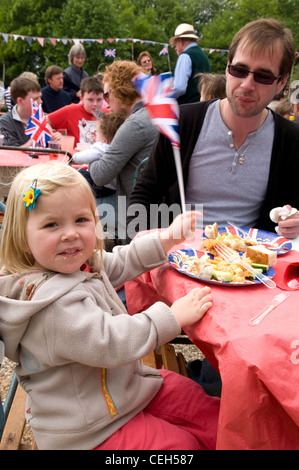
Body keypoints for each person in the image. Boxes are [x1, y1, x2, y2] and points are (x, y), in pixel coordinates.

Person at [0, 161, 220, 450]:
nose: (70, 233)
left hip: (121, 389)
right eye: (52, 224)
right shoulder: (51, 308)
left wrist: (166, 239)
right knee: (179, 446)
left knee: (201, 406)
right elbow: (111, 341)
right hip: (88, 428)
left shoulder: (78, 266)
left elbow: (119, 262)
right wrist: (172, 317)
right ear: (23, 238)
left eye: (81, 220)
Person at [129, 18, 299, 241]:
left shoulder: (290, 139)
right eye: (239, 70)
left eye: (263, 76)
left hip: (251, 268)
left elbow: (293, 209)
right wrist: (147, 248)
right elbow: (143, 196)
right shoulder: (185, 123)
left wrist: (294, 221)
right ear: (227, 69)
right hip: (179, 259)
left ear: (281, 82)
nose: (247, 84)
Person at [89, 60, 159, 202]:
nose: (106, 103)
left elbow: (99, 176)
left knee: (84, 203)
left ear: (117, 91)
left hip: (139, 212)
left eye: (107, 95)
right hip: (163, 203)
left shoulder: (135, 124)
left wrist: (97, 147)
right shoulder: (155, 113)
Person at [73, 112, 125, 197]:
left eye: (97, 134)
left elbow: (86, 156)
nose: (95, 137)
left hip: (100, 187)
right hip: (113, 187)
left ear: (105, 140)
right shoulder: (117, 147)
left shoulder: (101, 147)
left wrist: (73, 158)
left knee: (75, 173)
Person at [47, 76, 106, 146]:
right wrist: (53, 135)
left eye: (99, 100)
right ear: (82, 98)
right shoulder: (70, 111)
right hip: (76, 155)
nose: (95, 104)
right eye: (90, 100)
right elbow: (44, 121)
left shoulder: (108, 115)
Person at [170, 23, 211, 104]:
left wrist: (166, 96)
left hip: (187, 107)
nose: (175, 48)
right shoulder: (203, 55)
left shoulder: (185, 56)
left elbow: (179, 88)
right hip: (204, 105)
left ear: (180, 42)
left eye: (175, 44)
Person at [0, 77, 45, 147]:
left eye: (40, 97)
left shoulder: (44, 117)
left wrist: (56, 138)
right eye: (36, 99)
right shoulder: (5, 122)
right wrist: (35, 138)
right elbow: (11, 153)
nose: (41, 101)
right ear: (20, 101)